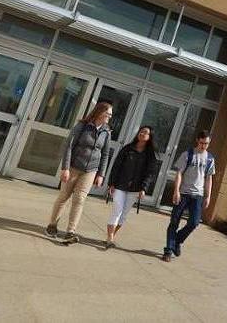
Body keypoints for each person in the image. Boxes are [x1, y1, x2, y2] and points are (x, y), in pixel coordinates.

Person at [44, 102, 113, 244]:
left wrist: (101, 174)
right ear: (100, 112)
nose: (109, 117)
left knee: (80, 199)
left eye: (111, 115)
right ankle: (52, 225)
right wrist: (66, 168)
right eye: (108, 113)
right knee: (64, 196)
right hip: (74, 166)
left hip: (91, 170)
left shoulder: (106, 132)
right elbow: (68, 146)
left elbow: (105, 154)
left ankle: (71, 232)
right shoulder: (82, 126)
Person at [162, 130, 215, 262]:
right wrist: (176, 191)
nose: (204, 146)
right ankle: (168, 250)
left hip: (197, 195)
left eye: (206, 143)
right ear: (198, 140)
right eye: (202, 143)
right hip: (184, 193)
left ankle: (177, 241)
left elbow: (209, 178)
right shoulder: (188, 154)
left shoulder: (210, 159)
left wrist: (208, 196)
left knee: (194, 222)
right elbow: (179, 173)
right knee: (174, 221)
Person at [105, 126, 157, 247]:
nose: (142, 133)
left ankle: (112, 235)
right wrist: (111, 183)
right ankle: (109, 238)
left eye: (146, 133)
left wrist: (144, 188)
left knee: (123, 214)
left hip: (136, 189)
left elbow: (150, 173)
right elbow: (116, 166)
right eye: (141, 131)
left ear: (149, 137)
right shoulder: (127, 149)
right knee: (117, 209)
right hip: (120, 185)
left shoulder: (150, 155)